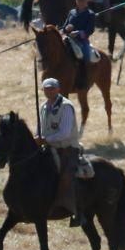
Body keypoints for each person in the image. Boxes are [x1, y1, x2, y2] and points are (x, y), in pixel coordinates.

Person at [35, 78, 83, 226]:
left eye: (52, 88)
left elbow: (65, 133)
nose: (49, 91)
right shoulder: (43, 107)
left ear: (58, 89)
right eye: (46, 89)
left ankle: (76, 210)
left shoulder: (66, 106)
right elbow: (40, 129)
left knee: (66, 176)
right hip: (48, 148)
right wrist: (38, 138)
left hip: (67, 149)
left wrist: (45, 140)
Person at [62, 0, 97, 88]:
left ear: (86, 2)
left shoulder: (90, 14)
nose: (80, 3)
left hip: (82, 41)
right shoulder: (72, 12)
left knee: (86, 56)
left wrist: (78, 33)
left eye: (82, 1)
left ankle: (85, 79)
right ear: (76, 1)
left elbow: (90, 30)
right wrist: (66, 29)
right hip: (68, 39)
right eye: (78, 1)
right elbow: (65, 26)